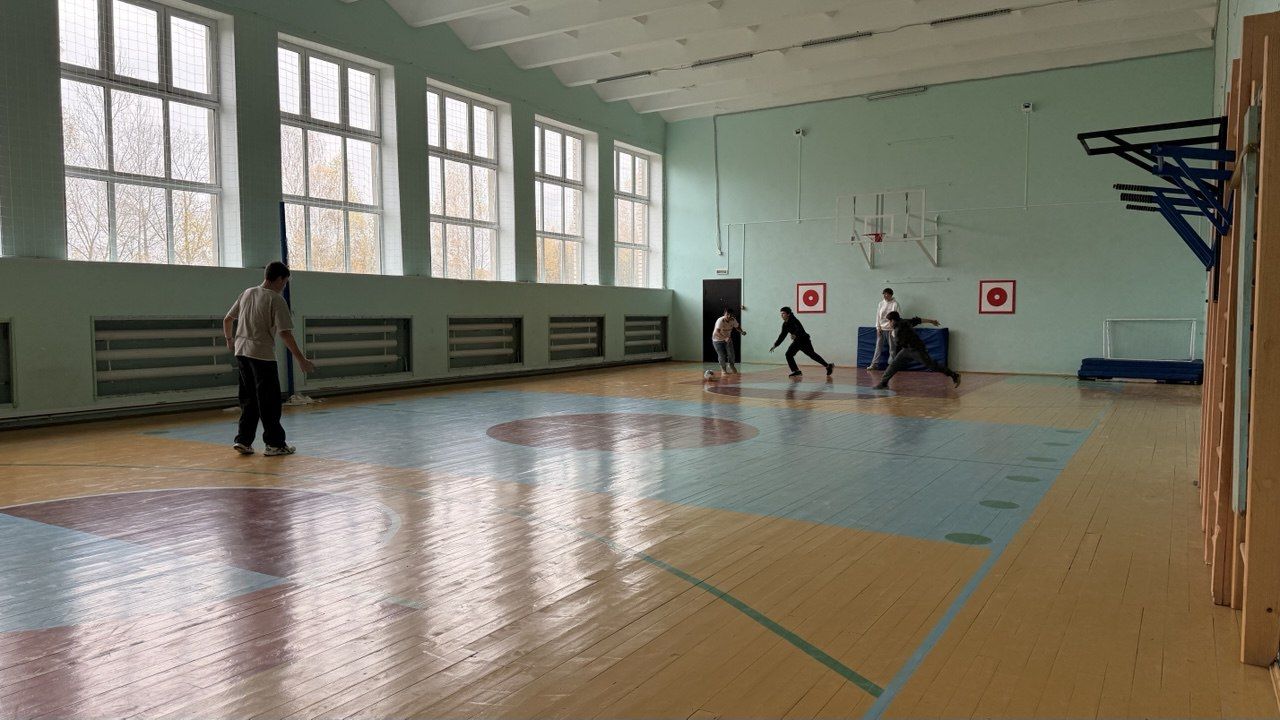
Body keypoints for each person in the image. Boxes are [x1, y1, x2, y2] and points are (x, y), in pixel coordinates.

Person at [223, 262, 315, 456]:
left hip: (241, 352)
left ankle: (243, 440)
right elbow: (285, 333)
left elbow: (228, 319)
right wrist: (301, 359)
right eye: (285, 282)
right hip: (262, 354)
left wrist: (229, 339)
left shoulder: (247, 293)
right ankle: (275, 444)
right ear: (280, 279)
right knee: (269, 401)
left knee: (249, 399)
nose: (284, 286)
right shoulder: (276, 299)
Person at [873, 311, 960, 389]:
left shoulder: (898, 329)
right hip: (906, 349)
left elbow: (899, 343)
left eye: (889, 321)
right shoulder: (904, 321)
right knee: (894, 364)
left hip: (916, 349)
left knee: (932, 366)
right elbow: (918, 320)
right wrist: (932, 321)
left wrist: (894, 337)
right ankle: (883, 383)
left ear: (893, 321)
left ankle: (954, 375)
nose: (889, 323)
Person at [769, 306, 835, 378]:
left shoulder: (794, 320)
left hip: (804, 341)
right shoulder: (785, 324)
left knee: (812, 355)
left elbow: (799, 329)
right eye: (781, 314)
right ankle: (796, 371)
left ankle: (828, 366)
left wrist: (795, 334)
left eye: (783, 313)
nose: (782, 315)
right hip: (797, 342)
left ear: (788, 314)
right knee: (788, 354)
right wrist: (775, 345)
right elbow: (782, 335)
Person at [868, 287, 900, 370]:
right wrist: (878, 327)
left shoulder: (895, 304)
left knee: (892, 349)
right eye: (884, 294)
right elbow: (878, 316)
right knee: (878, 348)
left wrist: (894, 329)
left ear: (891, 295)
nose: (885, 296)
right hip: (881, 329)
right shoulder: (881, 304)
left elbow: (897, 317)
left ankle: (892, 366)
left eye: (887, 294)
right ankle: (874, 364)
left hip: (891, 330)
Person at [710, 308, 746, 375]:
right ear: (724, 314)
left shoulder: (733, 320)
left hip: (727, 340)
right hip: (717, 340)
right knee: (722, 355)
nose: (729, 316)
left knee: (731, 354)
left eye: (731, 315)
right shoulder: (720, 320)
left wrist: (742, 331)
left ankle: (731, 365)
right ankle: (723, 369)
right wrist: (725, 338)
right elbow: (717, 332)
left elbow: (737, 327)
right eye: (727, 314)